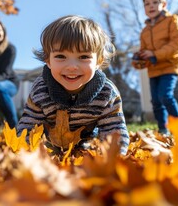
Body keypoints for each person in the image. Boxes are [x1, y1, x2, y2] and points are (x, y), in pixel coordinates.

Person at [17, 15, 130, 155]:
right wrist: (26, 155)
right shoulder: (41, 89)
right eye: (60, 56)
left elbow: (115, 129)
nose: (71, 67)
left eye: (83, 57)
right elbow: (28, 126)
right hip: (49, 143)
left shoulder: (107, 92)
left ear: (98, 61)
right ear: (48, 61)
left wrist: (115, 158)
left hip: (84, 142)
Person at [132, 0, 178, 135]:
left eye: (155, 2)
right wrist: (139, 60)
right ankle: (163, 129)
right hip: (154, 68)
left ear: (164, 4)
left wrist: (154, 53)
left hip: (170, 64)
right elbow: (145, 52)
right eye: (147, 3)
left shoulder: (171, 20)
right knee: (156, 101)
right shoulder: (144, 31)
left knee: (165, 96)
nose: (151, 6)